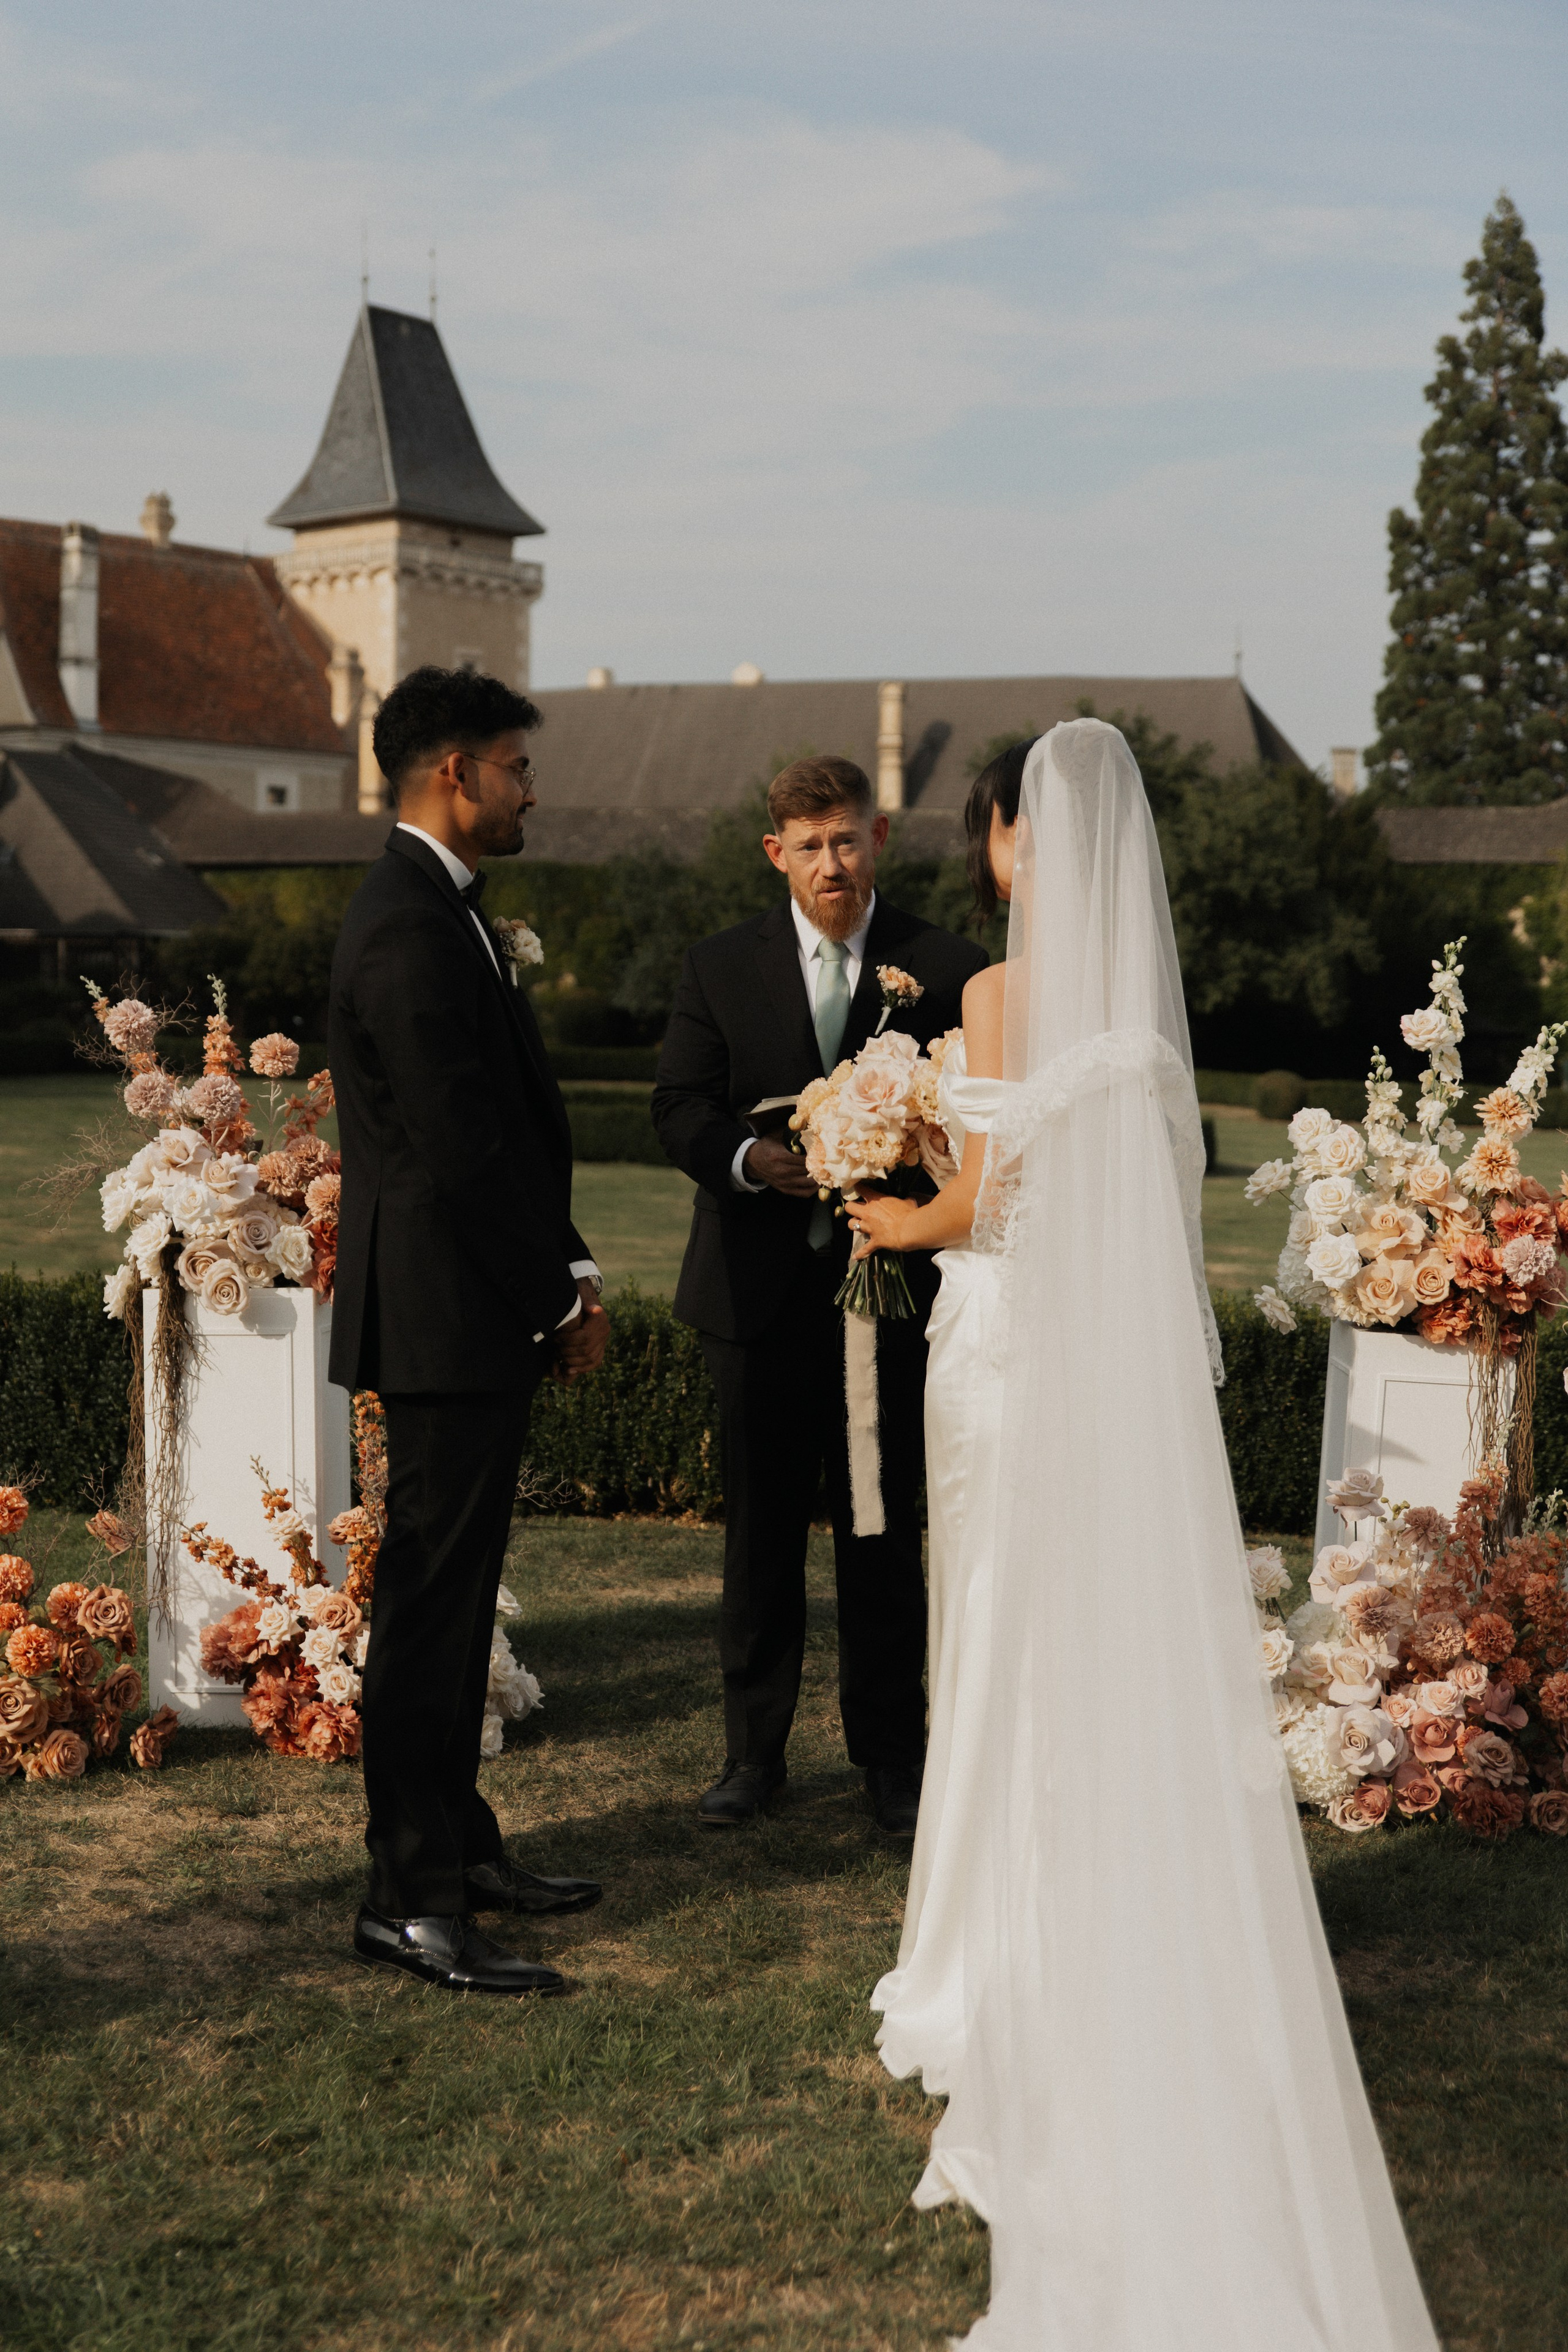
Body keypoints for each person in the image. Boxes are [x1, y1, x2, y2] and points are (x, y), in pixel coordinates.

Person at [848, 720, 1439, 2349]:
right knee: (1081, 1637)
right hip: (1097, 1371)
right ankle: (1111, 1901)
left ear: (1013, 848)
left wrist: (894, 1209)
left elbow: (986, 1196)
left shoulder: (990, 997)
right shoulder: (1159, 1038)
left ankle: (983, 1941)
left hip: (991, 1353)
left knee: (988, 1638)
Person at [329, 665, 611, 1998]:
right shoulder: (403, 928)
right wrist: (556, 1289)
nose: (528, 789)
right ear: (453, 772)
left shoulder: (442, 913)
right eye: (512, 765)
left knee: (449, 1600)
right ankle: (408, 1897)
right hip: (446, 1319)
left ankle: (465, 1848)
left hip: (465, 1311)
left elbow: (496, 1131)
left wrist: (566, 1267)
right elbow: (458, 1149)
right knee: (431, 1615)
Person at [652, 756, 988, 1834]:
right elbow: (677, 1107)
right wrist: (754, 1162)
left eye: (846, 841)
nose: (830, 864)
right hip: (754, 1299)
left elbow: (977, 1127)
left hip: (890, 1296)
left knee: (883, 1532)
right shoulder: (718, 967)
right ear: (775, 854)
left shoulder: (948, 968)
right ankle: (754, 1758)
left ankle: (893, 1760)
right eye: (809, 846)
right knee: (759, 1535)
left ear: (877, 838)